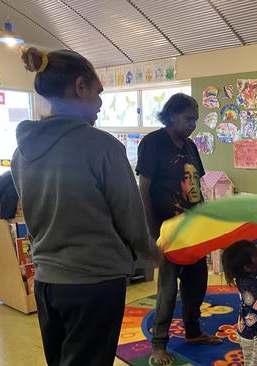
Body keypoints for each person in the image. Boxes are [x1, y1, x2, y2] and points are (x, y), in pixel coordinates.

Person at [12, 48, 159, 366]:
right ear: (80, 87)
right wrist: (152, 249)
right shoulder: (103, 147)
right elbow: (130, 218)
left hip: (47, 281)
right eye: (98, 91)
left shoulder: (22, 151)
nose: (101, 102)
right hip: (94, 282)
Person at [136, 93, 221, 364]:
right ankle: (159, 344)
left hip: (192, 230)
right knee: (168, 289)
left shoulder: (190, 146)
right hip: (167, 231)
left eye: (195, 119)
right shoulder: (153, 143)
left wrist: (207, 222)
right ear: (171, 116)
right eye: (188, 118)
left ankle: (193, 331)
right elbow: (144, 189)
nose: (193, 124)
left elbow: (197, 187)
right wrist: (152, 232)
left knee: (196, 283)